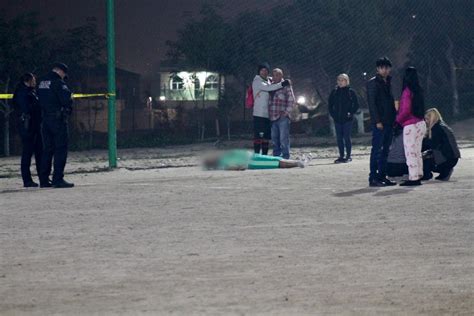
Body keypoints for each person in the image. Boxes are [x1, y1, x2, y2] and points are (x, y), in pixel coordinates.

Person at [38, 63, 74, 188]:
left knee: (47, 150)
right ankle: (57, 179)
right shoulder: (58, 82)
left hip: (45, 120)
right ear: (61, 72)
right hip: (57, 120)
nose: (64, 77)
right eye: (64, 75)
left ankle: (43, 180)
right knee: (60, 149)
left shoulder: (42, 81)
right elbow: (66, 100)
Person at [367, 57, 397, 187]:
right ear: (377, 69)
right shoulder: (373, 83)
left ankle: (382, 176)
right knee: (377, 150)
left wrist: (394, 118)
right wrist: (377, 121)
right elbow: (372, 104)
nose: (385, 70)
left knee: (386, 150)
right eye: (382, 68)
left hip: (389, 121)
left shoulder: (388, 82)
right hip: (380, 123)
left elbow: (390, 102)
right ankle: (373, 177)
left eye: (387, 68)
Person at [395, 67, 426, 186]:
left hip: (410, 125)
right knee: (417, 151)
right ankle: (418, 174)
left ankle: (413, 177)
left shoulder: (407, 91)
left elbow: (405, 110)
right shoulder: (419, 90)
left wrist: (397, 121)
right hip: (420, 123)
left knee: (410, 152)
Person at [252, 62, 290, 155]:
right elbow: (270, 88)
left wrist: (282, 80)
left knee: (266, 137)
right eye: (262, 70)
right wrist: (282, 84)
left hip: (268, 115)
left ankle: (264, 156)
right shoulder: (257, 81)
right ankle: (257, 155)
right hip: (259, 114)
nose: (264, 72)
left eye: (266, 70)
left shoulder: (267, 80)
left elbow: (276, 79)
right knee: (258, 136)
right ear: (259, 71)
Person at [12, 73, 43, 187]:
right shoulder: (22, 92)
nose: (35, 82)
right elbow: (26, 109)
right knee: (27, 153)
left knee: (39, 152)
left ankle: (42, 177)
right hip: (27, 126)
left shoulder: (30, 91)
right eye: (33, 80)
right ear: (28, 80)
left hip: (33, 125)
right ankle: (27, 180)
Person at [422, 108, 460, 181]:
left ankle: (428, 174)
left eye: (427, 119)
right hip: (452, 158)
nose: (426, 121)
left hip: (448, 159)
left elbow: (431, 144)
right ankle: (444, 171)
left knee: (424, 157)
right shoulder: (441, 126)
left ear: (432, 118)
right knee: (428, 153)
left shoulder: (436, 128)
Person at [328, 73, 359, 163]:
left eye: (343, 80)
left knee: (346, 137)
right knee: (339, 138)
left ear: (347, 81)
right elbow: (330, 105)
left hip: (347, 119)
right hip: (337, 119)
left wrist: (350, 113)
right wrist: (333, 115)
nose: (341, 82)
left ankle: (348, 156)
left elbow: (356, 105)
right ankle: (341, 156)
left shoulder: (351, 92)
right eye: (339, 80)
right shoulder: (334, 92)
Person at [269, 68, 295, 159]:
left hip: (282, 116)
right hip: (272, 116)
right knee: (274, 138)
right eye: (274, 75)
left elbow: (291, 100)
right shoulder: (270, 86)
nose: (275, 77)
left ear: (281, 75)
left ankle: (285, 156)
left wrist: (287, 112)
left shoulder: (286, 86)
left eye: (277, 75)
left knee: (283, 138)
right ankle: (276, 156)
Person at [203, 149, 304, 171]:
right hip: (251, 162)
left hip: (252, 156)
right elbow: (237, 167)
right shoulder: (222, 163)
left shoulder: (223, 156)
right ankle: (297, 163)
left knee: (276, 159)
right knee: (276, 163)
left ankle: (297, 162)